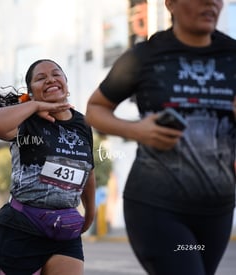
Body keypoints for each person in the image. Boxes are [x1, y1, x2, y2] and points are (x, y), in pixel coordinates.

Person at [85, 1, 236, 275]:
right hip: (157, 207)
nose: (211, 2)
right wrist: (136, 130)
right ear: (171, 4)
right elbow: (95, 109)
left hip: (217, 210)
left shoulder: (232, 55)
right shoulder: (145, 56)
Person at [0, 59, 96, 275]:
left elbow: (87, 171)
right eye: (40, 78)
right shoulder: (25, 119)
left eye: (56, 74)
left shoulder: (83, 124)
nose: (50, 80)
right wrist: (36, 106)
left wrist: (90, 214)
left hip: (65, 230)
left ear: (66, 82)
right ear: (31, 91)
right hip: (21, 227)